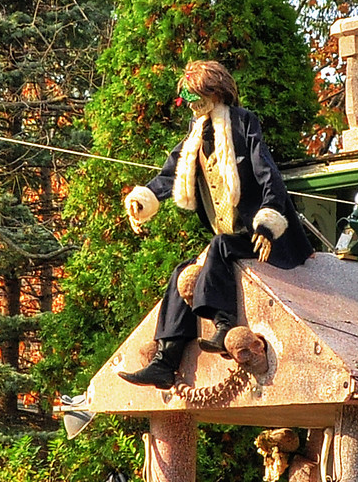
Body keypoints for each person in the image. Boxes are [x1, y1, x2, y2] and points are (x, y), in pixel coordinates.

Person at [118, 60, 313, 389]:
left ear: (216, 93)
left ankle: (224, 327)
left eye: (196, 96)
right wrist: (143, 198)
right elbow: (170, 175)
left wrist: (267, 223)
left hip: (271, 240)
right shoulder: (194, 138)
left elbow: (268, 173)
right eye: (188, 98)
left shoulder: (242, 123)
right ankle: (165, 361)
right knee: (182, 272)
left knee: (219, 246)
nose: (192, 105)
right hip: (233, 241)